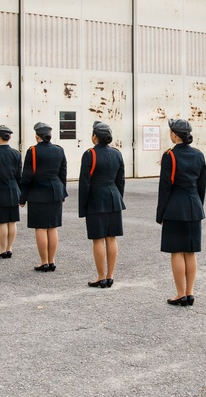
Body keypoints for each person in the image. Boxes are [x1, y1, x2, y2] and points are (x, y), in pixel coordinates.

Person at [156, 118, 206, 305]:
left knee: (176, 251)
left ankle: (180, 293)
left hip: (175, 207)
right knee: (190, 251)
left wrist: (161, 213)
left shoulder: (170, 155)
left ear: (175, 135)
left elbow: (165, 187)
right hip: (194, 206)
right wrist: (198, 206)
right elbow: (202, 186)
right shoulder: (199, 155)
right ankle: (190, 292)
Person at [78, 121, 126, 288]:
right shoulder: (117, 154)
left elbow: (84, 183)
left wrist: (83, 206)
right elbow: (121, 180)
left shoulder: (90, 154)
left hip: (96, 198)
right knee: (111, 238)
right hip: (114, 198)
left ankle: (101, 277)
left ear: (95, 137)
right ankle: (110, 275)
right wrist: (118, 198)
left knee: (98, 239)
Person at [20, 122, 68, 272]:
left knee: (40, 228)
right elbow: (63, 173)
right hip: (55, 191)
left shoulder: (33, 151)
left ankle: (44, 262)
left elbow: (27, 176)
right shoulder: (59, 150)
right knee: (52, 227)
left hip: (38, 192)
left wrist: (22, 197)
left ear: (37, 136)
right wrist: (62, 192)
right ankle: (52, 261)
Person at [0, 125, 22, 258]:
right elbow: (19, 175)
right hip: (13, 189)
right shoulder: (17, 153)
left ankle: (2, 249)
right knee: (12, 221)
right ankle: (9, 248)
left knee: (2, 222)